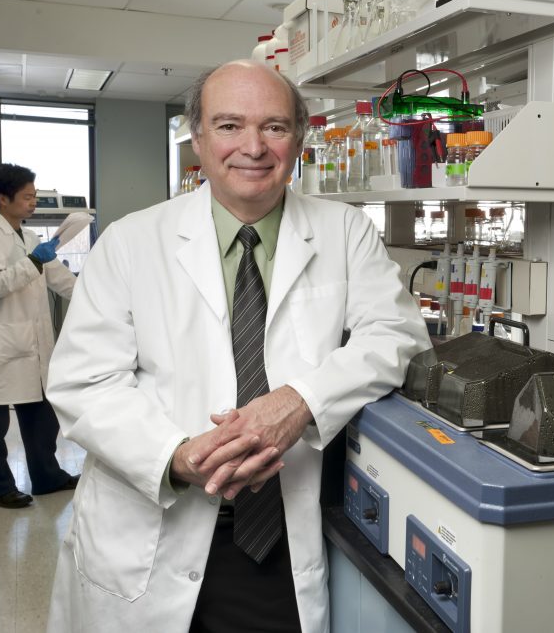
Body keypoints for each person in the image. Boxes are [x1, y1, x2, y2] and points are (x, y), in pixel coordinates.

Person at [45, 60, 430, 633]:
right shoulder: (131, 242)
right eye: (229, 126)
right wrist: (178, 456)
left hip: (281, 528)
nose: (253, 146)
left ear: (298, 138)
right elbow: (83, 383)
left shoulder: (345, 231)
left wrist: (298, 400)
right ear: (196, 137)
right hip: (154, 524)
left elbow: (395, 333)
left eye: (274, 127)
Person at [0, 163, 80, 508]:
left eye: (35, 196)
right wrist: (32, 262)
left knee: (42, 416)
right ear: (3, 198)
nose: (33, 203)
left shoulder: (29, 238)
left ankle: (47, 476)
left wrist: (101, 292)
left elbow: (59, 279)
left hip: (32, 344)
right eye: (27, 197)